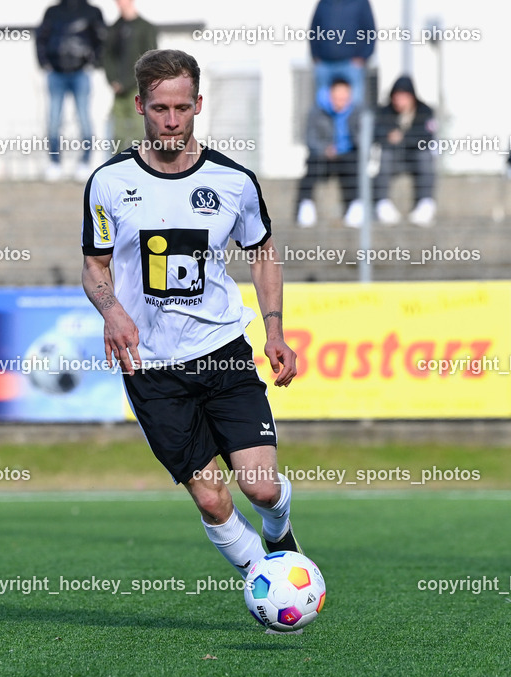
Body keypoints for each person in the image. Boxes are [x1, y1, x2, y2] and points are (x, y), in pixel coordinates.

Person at [81, 50, 301, 608]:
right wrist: (112, 310)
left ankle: (280, 536)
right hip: (151, 367)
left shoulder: (233, 181)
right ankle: (266, 580)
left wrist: (274, 330)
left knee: (262, 488)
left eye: (182, 107)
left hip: (222, 349)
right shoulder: (109, 183)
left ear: (199, 105)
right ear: (139, 107)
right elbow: (95, 266)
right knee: (211, 499)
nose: (172, 120)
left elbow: (263, 253)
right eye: (160, 109)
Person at [36, 0, 107, 183]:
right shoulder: (52, 11)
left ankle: (84, 162)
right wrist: (44, 63)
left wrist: (94, 63)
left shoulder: (92, 11)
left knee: (84, 119)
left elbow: (102, 39)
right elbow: (41, 38)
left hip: (81, 73)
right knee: (53, 120)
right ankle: (54, 162)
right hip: (56, 74)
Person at [295, 78, 362, 228]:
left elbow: (363, 137)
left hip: (348, 155)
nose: (341, 102)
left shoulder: (357, 112)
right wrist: (325, 149)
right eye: (337, 98)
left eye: (344, 98)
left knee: (355, 168)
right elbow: (310, 138)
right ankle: (306, 207)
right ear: (330, 95)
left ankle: (356, 206)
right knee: (311, 169)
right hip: (323, 156)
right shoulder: (317, 111)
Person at [373, 75, 437, 227]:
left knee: (426, 155)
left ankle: (426, 203)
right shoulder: (384, 112)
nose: (399, 101)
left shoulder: (425, 111)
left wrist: (403, 137)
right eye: (397, 97)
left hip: (416, 159)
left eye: (403, 97)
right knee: (385, 155)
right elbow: (376, 133)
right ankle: (382, 203)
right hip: (393, 158)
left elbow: (427, 137)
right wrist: (388, 137)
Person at [102, 0, 157, 154]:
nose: (119, 3)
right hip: (118, 89)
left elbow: (150, 60)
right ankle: (117, 168)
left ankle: (143, 166)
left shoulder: (146, 28)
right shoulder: (115, 28)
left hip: (138, 88)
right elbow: (107, 56)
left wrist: (128, 83)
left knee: (139, 131)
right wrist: (113, 80)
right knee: (117, 133)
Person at [308, 0, 376, 108]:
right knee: (323, 106)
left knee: (354, 106)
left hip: (351, 64)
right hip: (325, 63)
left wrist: (363, 57)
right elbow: (314, 29)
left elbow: (370, 31)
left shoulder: (360, 2)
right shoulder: (324, 3)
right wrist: (316, 56)